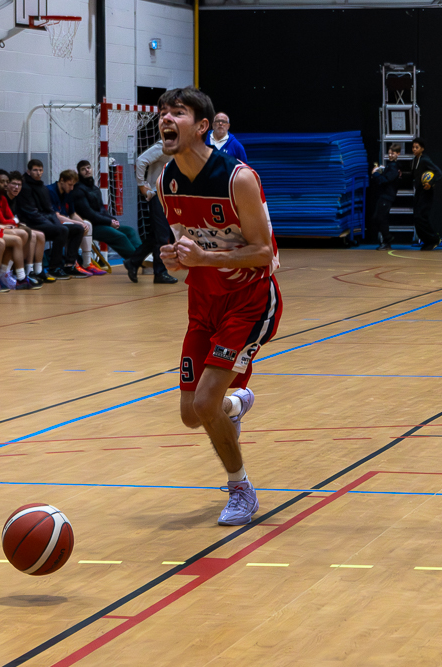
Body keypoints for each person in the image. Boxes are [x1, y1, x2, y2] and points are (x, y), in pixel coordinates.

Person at [156, 86, 282, 526]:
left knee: (206, 402)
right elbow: (185, 259)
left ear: (203, 126)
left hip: (249, 301)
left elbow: (265, 252)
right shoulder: (165, 182)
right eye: (163, 113)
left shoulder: (238, 179)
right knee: (193, 415)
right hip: (202, 302)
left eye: (177, 112)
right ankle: (236, 404)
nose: (166, 119)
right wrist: (175, 261)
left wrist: (206, 258)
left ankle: (241, 490)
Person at [17, 159, 85, 280]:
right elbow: (31, 213)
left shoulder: (42, 187)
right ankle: (54, 268)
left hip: (45, 221)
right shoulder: (25, 188)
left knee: (77, 228)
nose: (38, 173)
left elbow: (50, 211)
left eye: (40, 170)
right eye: (35, 170)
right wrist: (53, 224)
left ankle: (69, 265)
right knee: (62, 230)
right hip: (31, 223)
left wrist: (55, 223)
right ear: (28, 171)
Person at [0, 169, 47, 286]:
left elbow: (12, 219)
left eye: (7, 182)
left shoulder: (3, 198)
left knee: (34, 234)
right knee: (25, 234)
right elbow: (2, 220)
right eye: (3, 182)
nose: (6, 185)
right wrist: (14, 222)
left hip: (2, 227)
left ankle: (29, 271)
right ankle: (14, 274)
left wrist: (14, 222)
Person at [73, 160, 145, 265]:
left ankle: (144, 257)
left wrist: (112, 220)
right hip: (90, 227)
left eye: (88, 167)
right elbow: (89, 214)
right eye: (83, 169)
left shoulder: (95, 189)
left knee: (129, 231)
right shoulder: (78, 190)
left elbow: (101, 209)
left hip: (102, 223)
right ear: (79, 172)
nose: (87, 170)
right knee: (120, 236)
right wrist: (108, 222)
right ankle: (137, 261)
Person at [133, 140, 179, 284]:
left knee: (158, 235)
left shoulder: (184, 146)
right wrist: (142, 184)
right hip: (158, 195)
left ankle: (133, 262)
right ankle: (160, 273)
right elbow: (141, 161)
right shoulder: (164, 145)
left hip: (171, 197)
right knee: (163, 236)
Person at [47, 170, 105, 276]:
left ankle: (86, 263)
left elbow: (72, 214)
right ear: (61, 180)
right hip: (52, 222)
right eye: (70, 185)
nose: (72, 188)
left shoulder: (69, 193)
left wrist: (83, 223)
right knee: (77, 228)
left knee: (87, 225)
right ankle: (63, 264)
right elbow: (57, 216)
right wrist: (77, 223)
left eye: (73, 185)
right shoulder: (50, 191)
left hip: (63, 221)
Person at [411, 137, 442, 250]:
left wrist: (430, 183)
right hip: (418, 192)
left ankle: (434, 239)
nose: (414, 149)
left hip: (426, 192)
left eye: (417, 147)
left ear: (422, 149)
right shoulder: (415, 160)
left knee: (422, 217)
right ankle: (426, 240)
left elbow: (438, 172)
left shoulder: (425, 159)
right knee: (416, 217)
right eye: (413, 147)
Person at [370, 143, 401, 250]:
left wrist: (375, 174)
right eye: (389, 153)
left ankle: (387, 239)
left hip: (387, 196)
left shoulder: (393, 168)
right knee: (377, 218)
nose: (390, 155)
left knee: (381, 218)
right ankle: (387, 239)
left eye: (393, 153)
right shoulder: (390, 166)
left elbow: (384, 180)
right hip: (384, 195)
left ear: (398, 154)